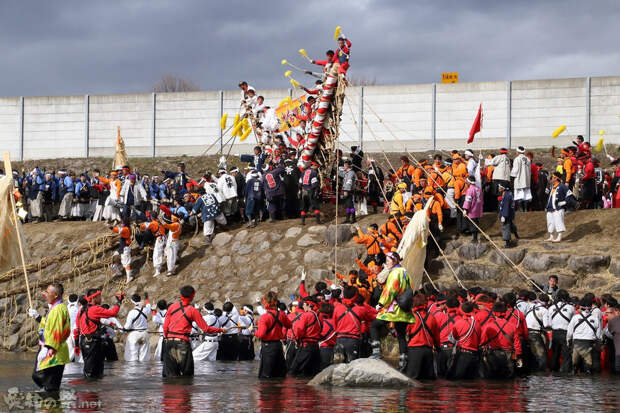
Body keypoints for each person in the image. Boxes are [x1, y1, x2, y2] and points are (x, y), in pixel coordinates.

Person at [162, 285, 226, 377]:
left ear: (181, 295)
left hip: (169, 343)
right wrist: (221, 330)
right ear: (193, 296)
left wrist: (167, 338)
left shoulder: (172, 307)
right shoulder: (193, 311)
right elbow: (206, 329)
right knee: (187, 376)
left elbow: (165, 327)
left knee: (170, 375)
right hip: (183, 344)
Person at [370, 252, 415, 371]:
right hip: (404, 309)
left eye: (388, 260)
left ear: (394, 261)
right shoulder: (406, 272)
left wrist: (381, 303)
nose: (386, 262)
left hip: (394, 309)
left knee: (374, 326)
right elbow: (411, 288)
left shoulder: (395, 273)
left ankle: (376, 352)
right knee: (401, 335)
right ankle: (403, 361)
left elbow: (390, 290)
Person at [27, 283, 70, 392]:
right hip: (53, 350)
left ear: (55, 295)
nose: (45, 295)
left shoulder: (57, 310)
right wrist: (38, 317)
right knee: (38, 377)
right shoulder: (55, 308)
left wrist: (47, 347)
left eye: (47, 292)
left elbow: (56, 331)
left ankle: (51, 405)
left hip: (54, 352)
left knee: (49, 386)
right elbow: (49, 325)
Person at [74, 289, 123, 378]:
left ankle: (91, 389)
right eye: (99, 296)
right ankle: (92, 389)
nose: (101, 298)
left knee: (90, 369)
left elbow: (77, 329)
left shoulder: (81, 310)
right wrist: (119, 302)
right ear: (94, 298)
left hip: (84, 341)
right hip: (93, 343)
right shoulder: (95, 309)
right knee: (95, 370)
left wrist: (76, 344)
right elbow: (112, 312)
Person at [332, 286, 377, 363]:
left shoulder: (337, 308)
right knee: (352, 366)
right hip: (353, 341)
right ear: (355, 296)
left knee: (337, 367)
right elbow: (374, 317)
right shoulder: (361, 309)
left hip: (339, 340)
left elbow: (334, 325)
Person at [254, 291, 293, 378]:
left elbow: (261, 334)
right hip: (278, 345)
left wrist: (253, 332)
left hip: (268, 347)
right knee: (279, 374)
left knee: (266, 374)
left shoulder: (264, 317)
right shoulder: (281, 314)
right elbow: (289, 325)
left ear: (265, 302)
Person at [480, 301, 522, 379]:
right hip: (508, 355)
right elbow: (517, 344)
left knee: (493, 380)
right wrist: (519, 356)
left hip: (493, 355)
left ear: (494, 313)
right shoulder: (513, 326)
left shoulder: (489, 326)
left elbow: (482, 342)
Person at [405, 293, 440, 380]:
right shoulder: (432, 318)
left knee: (412, 380)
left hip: (414, 351)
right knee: (428, 382)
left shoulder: (411, 317)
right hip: (428, 351)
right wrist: (438, 349)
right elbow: (437, 338)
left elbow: (402, 332)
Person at [567, 297, 603, 375]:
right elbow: (599, 335)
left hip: (576, 343)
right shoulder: (595, 319)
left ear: (580, 307)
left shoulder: (575, 318)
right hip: (589, 344)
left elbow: (569, 333)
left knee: (574, 367)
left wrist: (568, 342)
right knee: (588, 369)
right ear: (591, 307)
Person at [448, 301, 481, 380]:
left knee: (457, 381)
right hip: (474, 356)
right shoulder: (477, 324)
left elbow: (452, 339)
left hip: (462, 355)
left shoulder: (458, 323)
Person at [548, 289, 575, 372]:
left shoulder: (551, 308)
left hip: (555, 333)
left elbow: (549, 323)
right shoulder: (571, 308)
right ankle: (565, 374)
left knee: (555, 354)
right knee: (566, 355)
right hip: (565, 333)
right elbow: (573, 322)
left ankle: (553, 372)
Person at [524, 293, 550, 371]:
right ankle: (540, 376)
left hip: (526, 332)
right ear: (546, 302)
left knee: (532, 355)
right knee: (542, 357)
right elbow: (546, 325)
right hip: (535, 334)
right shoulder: (544, 310)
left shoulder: (531, 306)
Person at [123, 294, 152, 362]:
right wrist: (147, 298)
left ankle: (133, 372)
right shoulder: (146, 310)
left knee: (132, 358)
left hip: (134, 335)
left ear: (132, 302)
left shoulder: (131, 313)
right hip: (144, 334)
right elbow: (149, 305)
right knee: (144, 358)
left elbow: (127, 327)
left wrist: (123, 329)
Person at [545, 172, 570, 243]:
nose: (551, 179)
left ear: (556, 178)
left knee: (558, 221)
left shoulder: (562, 186)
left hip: (558, 208)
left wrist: (564, 202)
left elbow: (570, 195)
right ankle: (551, 236)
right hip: (550, 207)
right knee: (550, 222)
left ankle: (559, 237)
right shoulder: (551, 186)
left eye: (552, 177)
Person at [462, 175, 483, 242]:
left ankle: (475, 238)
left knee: (472, 223)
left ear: (469, 182)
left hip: (472, 209)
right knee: (476, 222)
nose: (466, 182)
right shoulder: (478, 188)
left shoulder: (470, 190)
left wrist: (465, 209)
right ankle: (475, 236)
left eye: (467, 181)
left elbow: (468, 200)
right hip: (478, 208)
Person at [511, 146, 532, 211]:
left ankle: (521, 209)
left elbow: (515, 170)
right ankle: (525, 209)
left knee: (519, 194)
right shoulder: (528, 159)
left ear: (518, 152)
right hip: (527, 180)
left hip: (519, 179)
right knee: (526, 195)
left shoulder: (517, 159)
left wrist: (512, 176)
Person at [498, 183, 517, 248]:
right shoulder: (509, 193)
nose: (498, 188)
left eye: (500, 187)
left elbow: (506, 206)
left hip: (506, 214)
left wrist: (504, 216)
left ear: (503, 188)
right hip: (510, 214)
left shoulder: (506, 196)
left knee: (505, 227)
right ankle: (516, 234)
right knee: (510, 225)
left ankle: (507, 243)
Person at [604, 303, 620, 373]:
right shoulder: (613, 321)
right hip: (617, 350)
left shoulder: (613, 321)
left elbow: (609, 332)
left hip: (618, 351)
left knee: (617, 370)